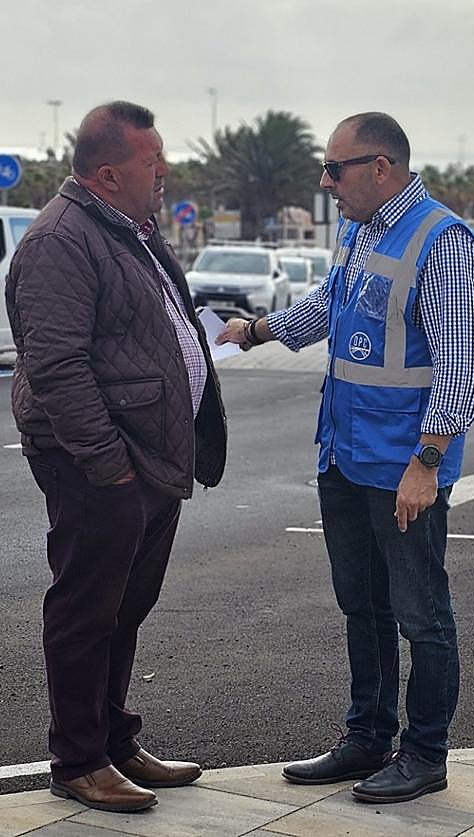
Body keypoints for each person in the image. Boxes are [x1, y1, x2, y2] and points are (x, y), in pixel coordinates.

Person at [217, 112, 474, 805]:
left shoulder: (443, 242)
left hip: (403, 469)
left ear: (381, 169)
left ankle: (424, 752)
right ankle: (366, 737)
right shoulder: (360, 232)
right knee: (361, 607)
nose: (325, 181)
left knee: (421, 614)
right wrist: (254, 332)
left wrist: (426, 462)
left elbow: (460, 370)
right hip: (343, 455)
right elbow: (330, 308)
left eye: (336, 169)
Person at [5, 101, 227, 813]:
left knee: (124, 606)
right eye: (151, 158)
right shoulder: (59, 241)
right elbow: (57, 365)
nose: (164, 169)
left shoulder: (129, 230)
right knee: (85, 607)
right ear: (108, 173)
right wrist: (109, 464)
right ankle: (77, 758)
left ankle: (113, 740)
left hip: (147, 459)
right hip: (99, 462)